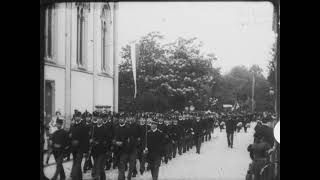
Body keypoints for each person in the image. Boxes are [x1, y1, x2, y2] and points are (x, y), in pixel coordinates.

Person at [113, 114, 138, 180]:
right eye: (120, 118)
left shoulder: (128, 127)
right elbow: (113, 138)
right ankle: (121, 177)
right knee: (121, 168)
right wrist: (115, 142)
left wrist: (123, 143)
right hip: (120, 151)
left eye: (122, 119)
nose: (121, 120)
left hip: (129, 150)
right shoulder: (116, 127)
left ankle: (129, 176)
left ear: (125, 120)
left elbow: (132, 140)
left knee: (131, 166)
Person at [90, 112, 114, 180]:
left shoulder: (105, 128)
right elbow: (91, 137)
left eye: (100, 119)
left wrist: (107, 149)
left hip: (102, 151)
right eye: (98, 118)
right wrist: (91, 140)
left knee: (99, 164)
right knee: (98, 166)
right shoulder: (94, 128)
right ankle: (103, 177)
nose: (99, 120)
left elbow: (108, 140)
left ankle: (97, 177)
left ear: (102, 120)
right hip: (95, 150)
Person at [69, 111, 88, 180]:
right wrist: (70, 138)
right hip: (74, 148)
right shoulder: (72, 126)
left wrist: (85, 150)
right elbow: (70, 135)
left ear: (80, 117)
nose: (77, 117)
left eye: (78, 116)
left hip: (80, 148)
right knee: (76, 163)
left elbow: (86, 139)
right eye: (76, 116)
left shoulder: (84, 126)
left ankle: (74, 176)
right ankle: (79, 177)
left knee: (77, 163)